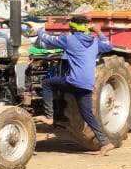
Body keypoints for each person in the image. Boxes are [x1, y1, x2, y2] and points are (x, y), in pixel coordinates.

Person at [36, 15, 116, 155]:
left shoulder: (69, 39)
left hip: (73, 82)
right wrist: (98, 31)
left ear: (72, 28)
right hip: (87, 84)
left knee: (47, 83)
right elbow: (108, 46)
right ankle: (105, 143)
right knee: (88, 115)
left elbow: (47, 39)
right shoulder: (95, 41)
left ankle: (49, 116)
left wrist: (39, 30)